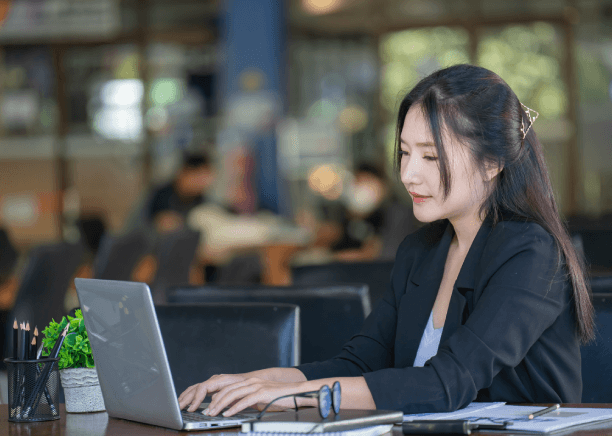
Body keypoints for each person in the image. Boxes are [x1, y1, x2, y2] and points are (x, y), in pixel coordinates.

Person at [178, 64, 594, 415]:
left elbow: (447, 384)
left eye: (431, 156)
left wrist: (294, 397)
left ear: (492, 163)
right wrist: (257, 382)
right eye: (404, 152)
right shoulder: (421, 250)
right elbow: (358, 363)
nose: (409, 174)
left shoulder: (532, 252)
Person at [147, 152, 216, 234]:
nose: (204, 182)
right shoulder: (161, 195)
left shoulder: (201, 200)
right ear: (185, 172)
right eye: (200, 176)